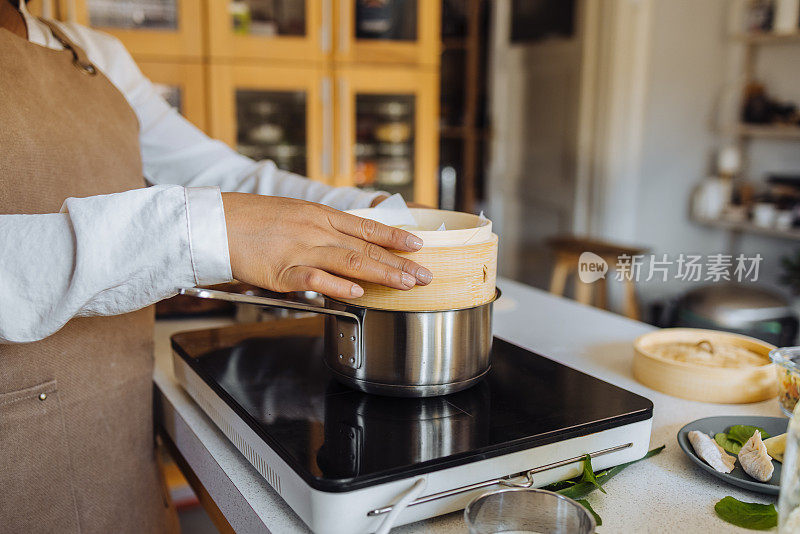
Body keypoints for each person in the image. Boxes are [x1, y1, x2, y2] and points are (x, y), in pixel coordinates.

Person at [0, 1, 432, 532]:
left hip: (116, 454)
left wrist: (362, 213)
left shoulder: (92, 54)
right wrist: (207, 231)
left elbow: (222, 175)